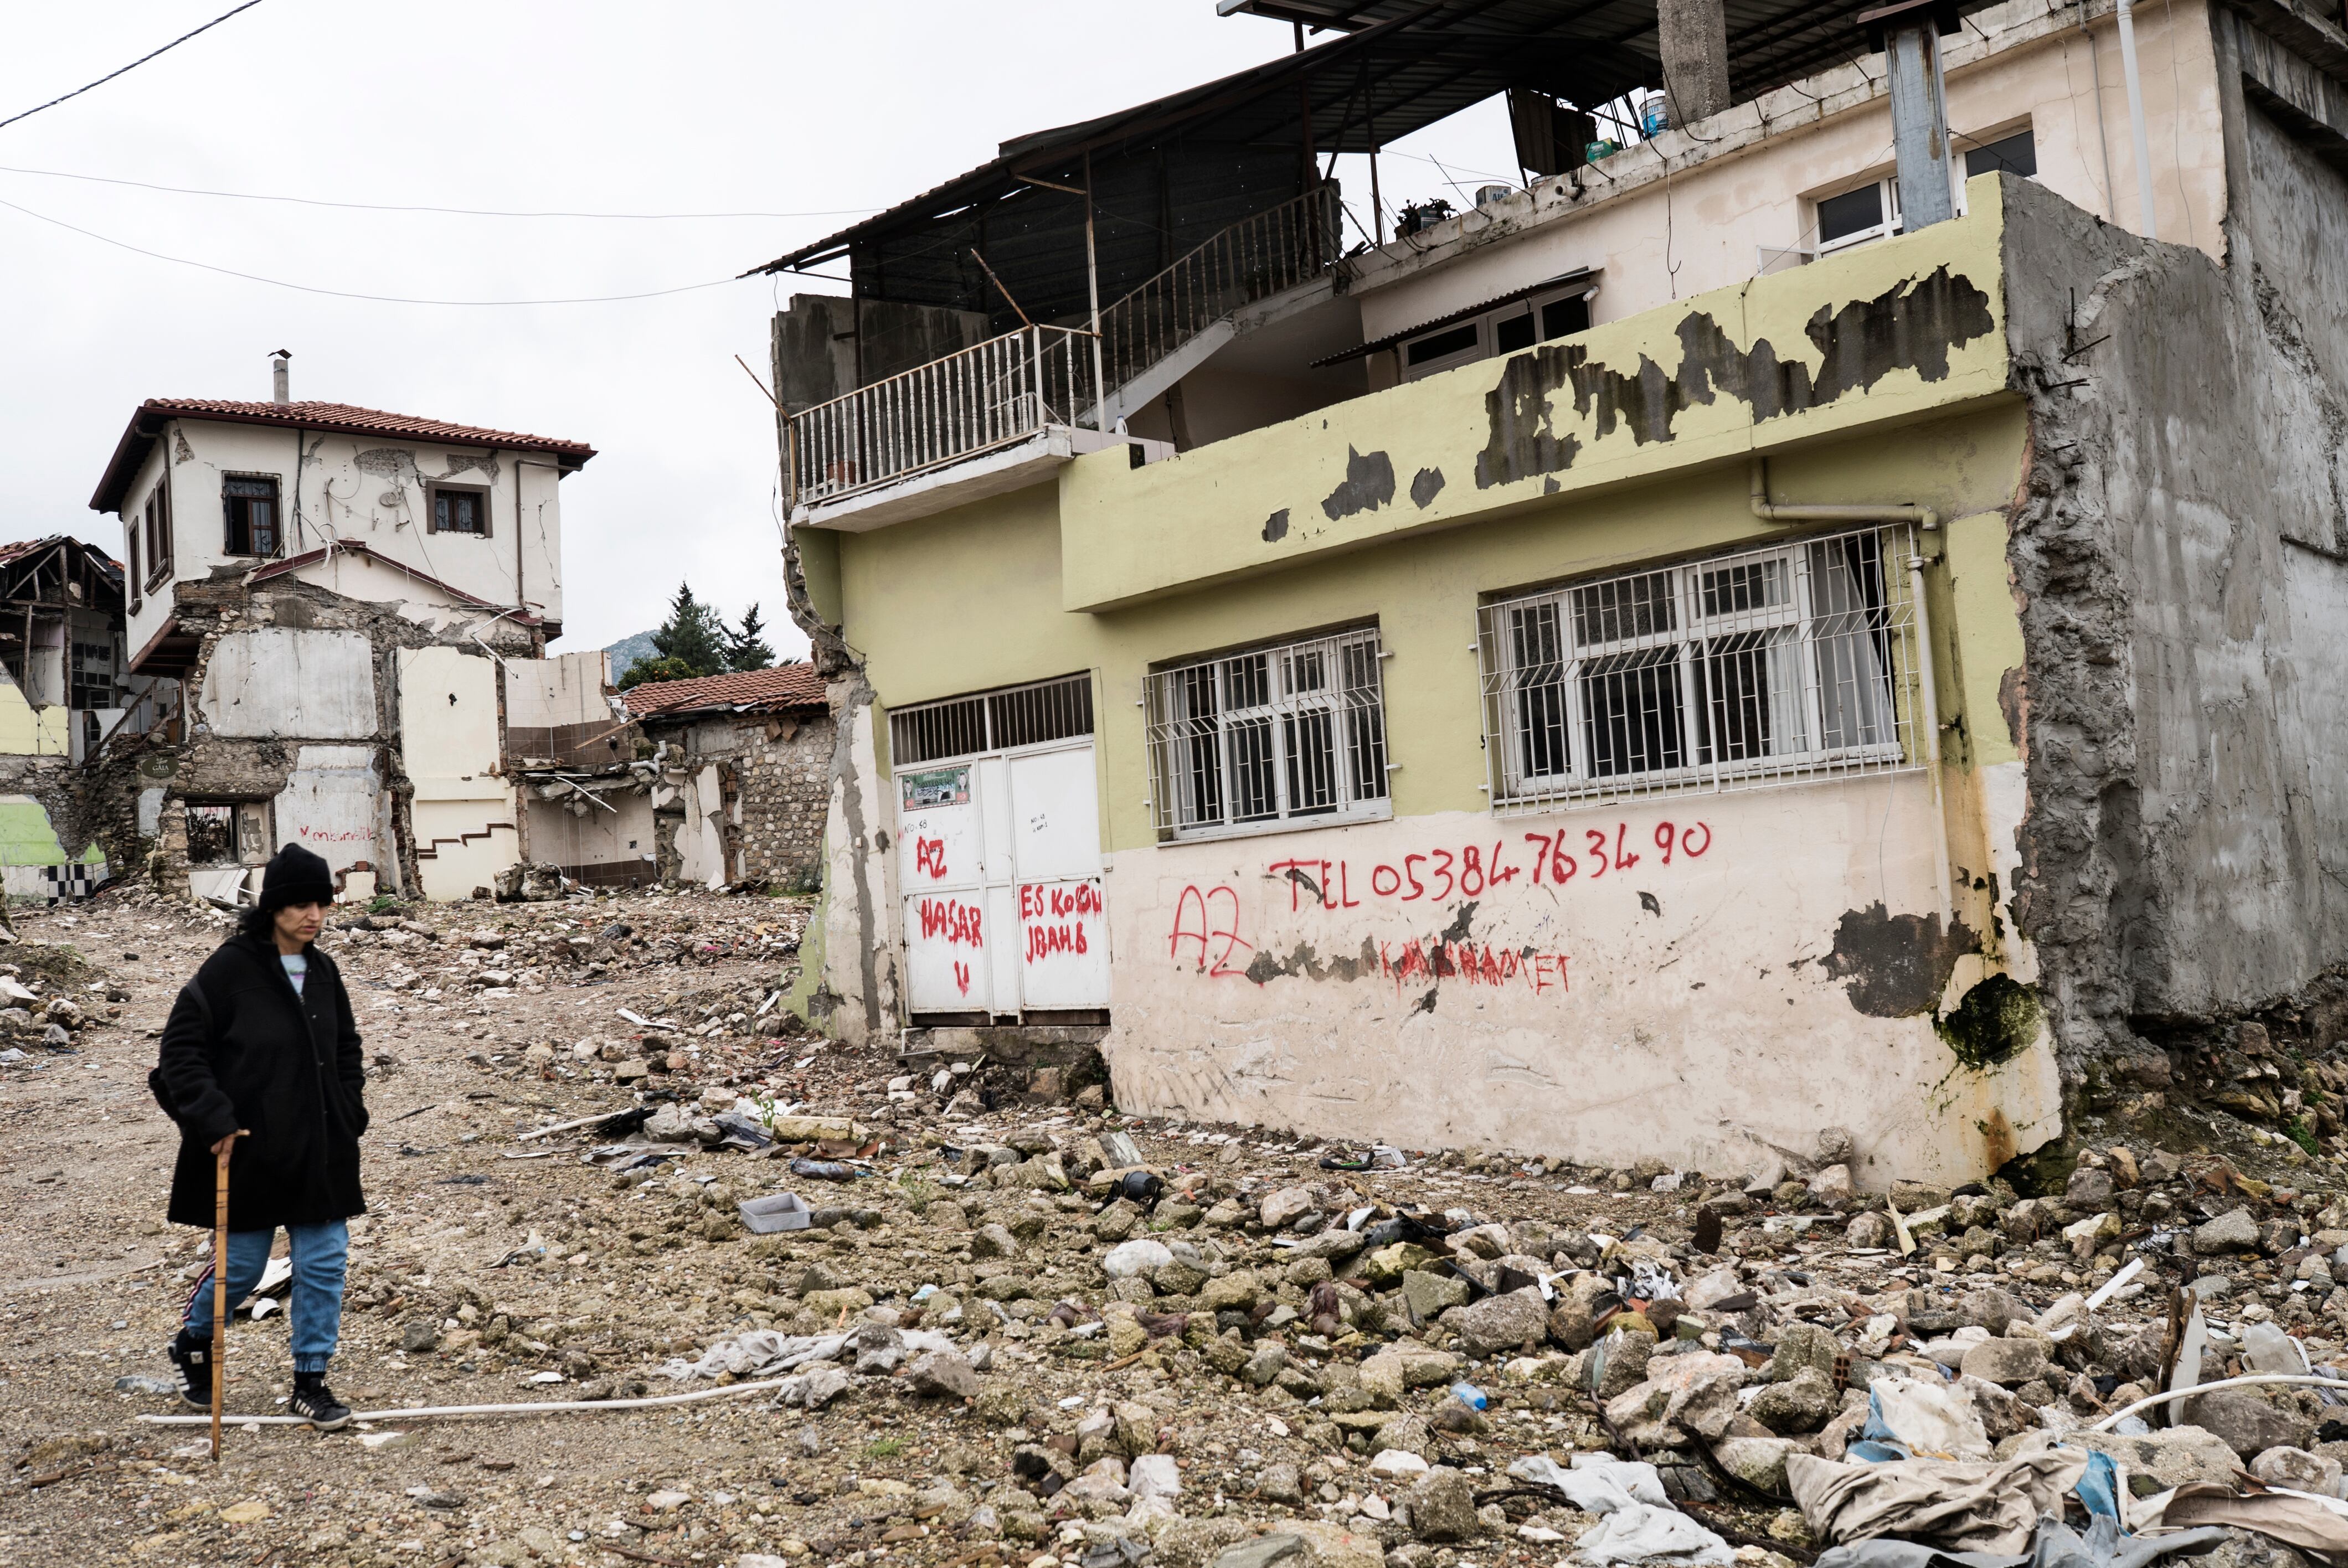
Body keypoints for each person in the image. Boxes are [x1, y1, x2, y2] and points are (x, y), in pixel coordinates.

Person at [158, 843, 368, 1430]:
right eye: (301, 905)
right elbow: (179, 1052)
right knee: (243, 1269)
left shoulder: (324, 971)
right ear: (272, 907)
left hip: (321, 1146)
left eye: (322, 904)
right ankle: (195, 1342)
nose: (314, 916)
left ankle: (311, 1381)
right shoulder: (229, 970)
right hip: (247, 1146)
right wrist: (212, 1117)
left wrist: (350, 1109)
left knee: (324, 1263)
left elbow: (346, 1049)